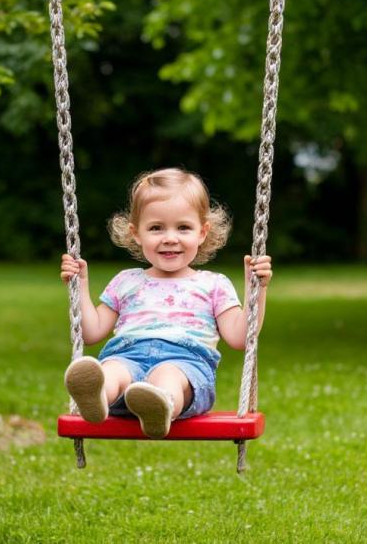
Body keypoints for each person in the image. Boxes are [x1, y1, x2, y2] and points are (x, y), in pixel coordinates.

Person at [60, 168, 273, 439]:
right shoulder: (125, 281)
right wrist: (80, 284)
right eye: (156, 228)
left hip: (186, 364)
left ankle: (160, 407)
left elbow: (240, 338)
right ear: (136, 233)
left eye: (183, 227)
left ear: (202, 232)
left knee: (167, 374)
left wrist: (257, 289)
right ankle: (96, 398)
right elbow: (91, 332)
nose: (170, 238)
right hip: (127, 357)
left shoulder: (213, 285)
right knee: (111, 370)